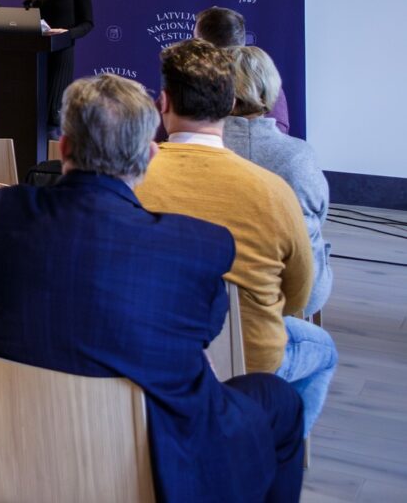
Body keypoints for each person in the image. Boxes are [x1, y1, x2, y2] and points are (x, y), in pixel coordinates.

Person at [0, 73, 305, 503]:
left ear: (64, 148)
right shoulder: (199, 246)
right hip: (156, 463)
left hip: (14, 444)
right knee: (278, 398)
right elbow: (205, 335)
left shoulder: (0, 215)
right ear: (150, 156)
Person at [134, 39, 335, 438]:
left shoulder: (129, 176)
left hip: (150, 351)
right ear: (229, 105)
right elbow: (298, 298)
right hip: (252, 359)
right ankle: (272, 454)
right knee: (323, 349)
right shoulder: (275, 190)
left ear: (163, 103)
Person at [223, 46, 331, 316]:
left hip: (209, 298)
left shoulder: (196, 152)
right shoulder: (300, 156)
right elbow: (319, 214)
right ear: (272, 91)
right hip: (292, 296)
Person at [24, 0, 93, 132]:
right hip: (36, 57)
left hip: (62, 54)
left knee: (54, 120)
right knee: (31, 117)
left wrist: (67, 33)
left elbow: (88, 23)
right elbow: (33, 16)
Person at [196, 6, 291, 133]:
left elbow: (165, 133)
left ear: (201, 44)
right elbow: (280, 131)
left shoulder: (190, 84)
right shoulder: (268, 84)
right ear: (242, 40)